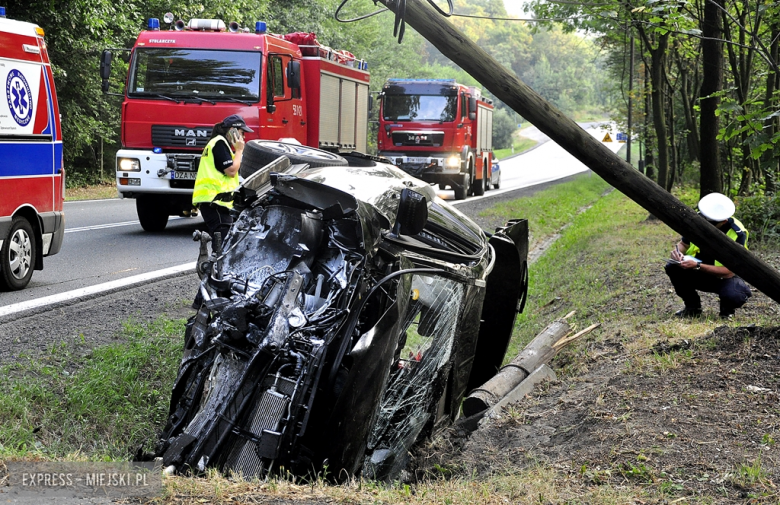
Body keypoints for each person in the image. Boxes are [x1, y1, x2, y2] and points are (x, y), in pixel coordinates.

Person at [664, 192, 752, 319]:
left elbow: (729, 272)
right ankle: (692, 308)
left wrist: (698, 266)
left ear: (723, 221)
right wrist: (677, 252)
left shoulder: (737, 233)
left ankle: (727, 312)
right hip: (696, 271)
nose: (705, 225)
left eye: (710, 224)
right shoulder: (697, 220)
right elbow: (684, 243)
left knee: (734, 294)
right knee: (672, 267)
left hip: (723, 277)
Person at [192, 114, 253, 240]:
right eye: (242, 132)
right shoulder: (219, 143)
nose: (244, 137)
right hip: (215, 202)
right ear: (232, 131)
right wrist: (239, 151)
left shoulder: (220, 143)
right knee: (222, 242)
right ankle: (217, 260)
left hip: (216, 202)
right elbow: (231, 171)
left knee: (224, 241)